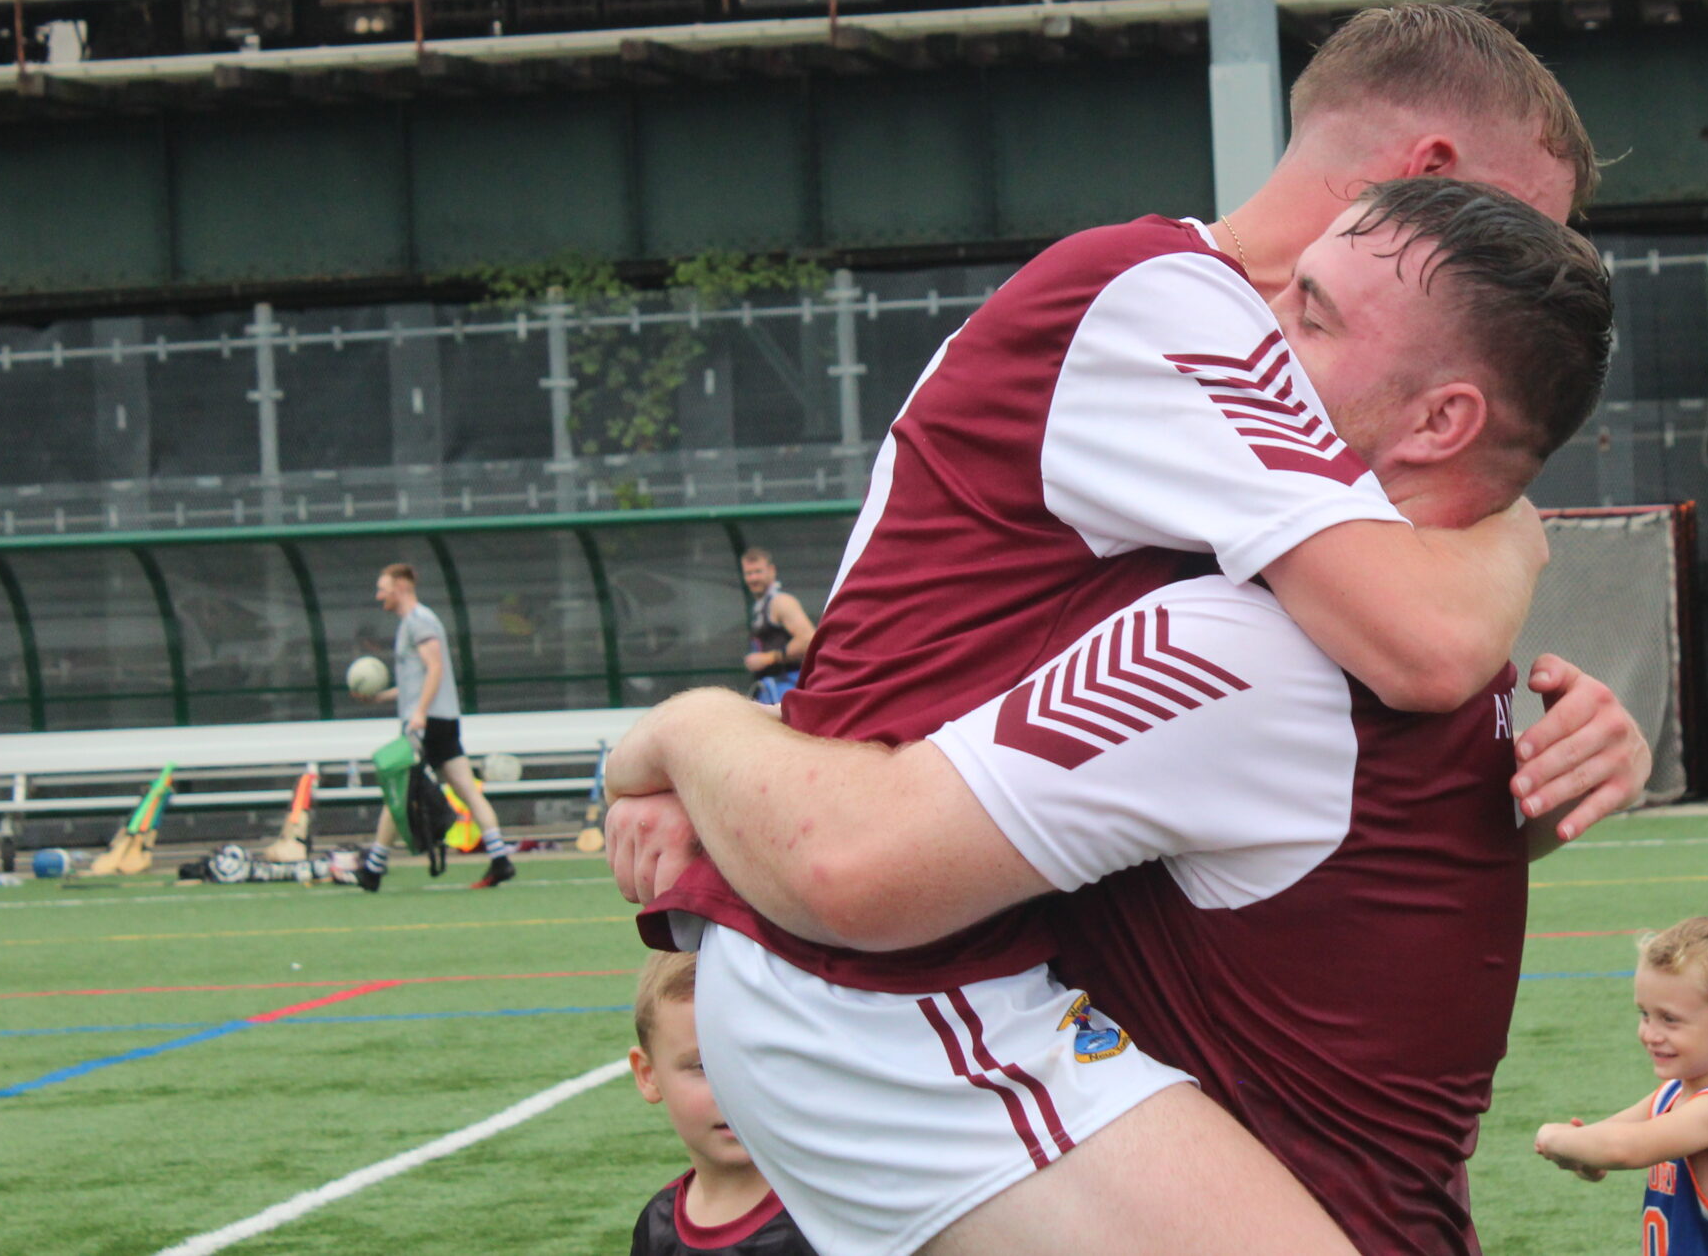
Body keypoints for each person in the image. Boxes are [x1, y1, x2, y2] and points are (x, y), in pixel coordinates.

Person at [609, 180, 1634, 1256]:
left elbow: (845, 865)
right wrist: (1513, 528)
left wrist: (686, 729)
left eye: (1310, 316)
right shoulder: (1446, 645)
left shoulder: (1246, 649)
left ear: (1441, 421)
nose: (1252, 327)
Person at [1533, 917, 1708, 1256]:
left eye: (1670, 1019)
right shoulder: (1673, 1094)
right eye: (1645, 1014)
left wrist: (1552, 1136)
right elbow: (1604, 1138)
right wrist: (1581, 1154)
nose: (1650, 1033)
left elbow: (1623, 1148)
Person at [629, 950, 819, 1256]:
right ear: (648, 1075)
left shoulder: (833, 1217)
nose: (733, 1090)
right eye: (702, 1067)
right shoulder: (656, 1222)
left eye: (757, 1059)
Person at [360, 561, 516, 890]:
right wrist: (381, 698)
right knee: (467, 791)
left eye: (383, 588)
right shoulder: (411, 623)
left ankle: (373, 868)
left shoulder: (420, 621)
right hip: (438, 719)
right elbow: (416, 680)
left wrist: (419, 714)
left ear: (401, 588)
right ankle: (500, 859)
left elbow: (434, 669)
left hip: (426, 723)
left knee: (399, 790)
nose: (379, 596)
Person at [741, 551, 815, 708]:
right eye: (749, 573)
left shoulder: (781, 602)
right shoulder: (760, 607)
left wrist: (769, 658)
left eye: (758, 572)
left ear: (771, 571)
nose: (753, 578)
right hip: (771, 690)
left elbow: (808, 639)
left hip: (787, 686)